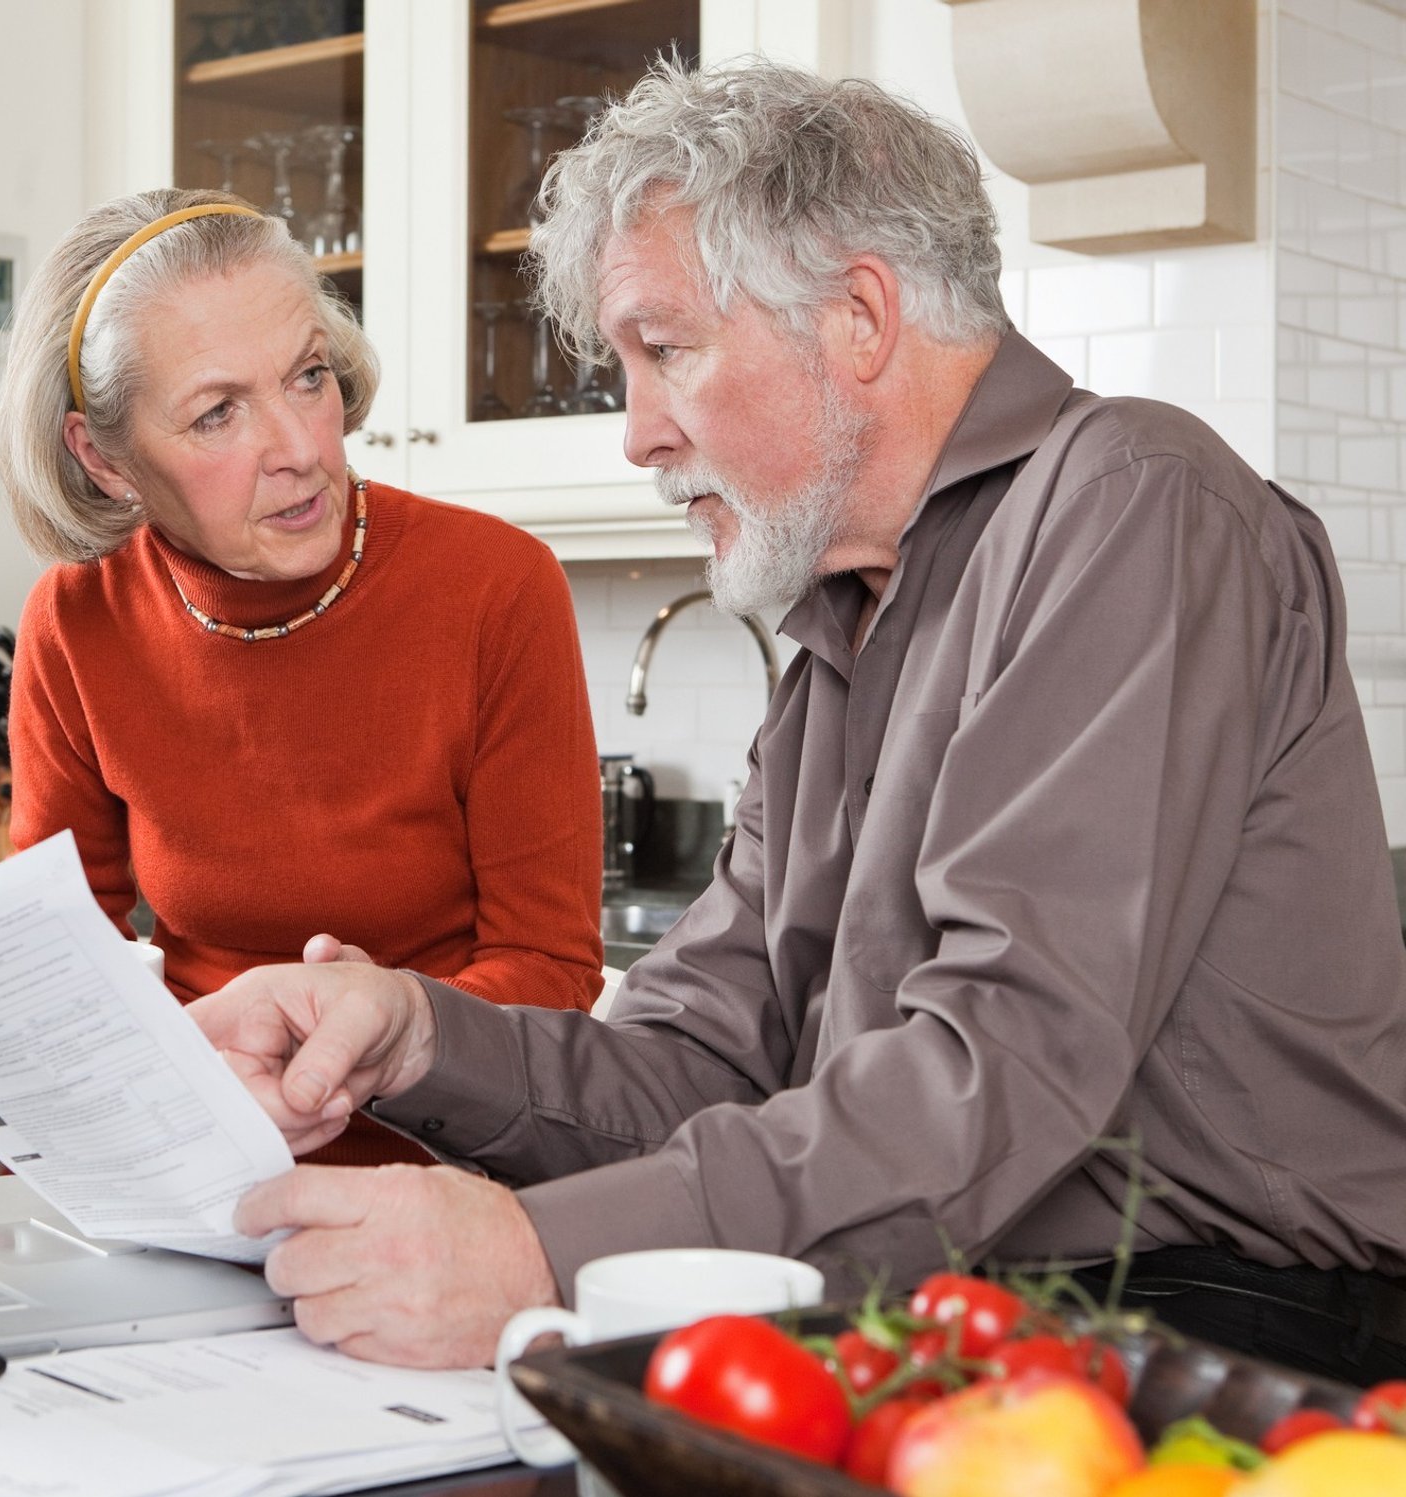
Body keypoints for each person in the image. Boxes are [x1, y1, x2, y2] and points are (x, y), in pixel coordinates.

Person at [188, 59, 1406, 1380]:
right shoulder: (839, 621)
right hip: (966, 1307)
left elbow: (1002, 1066)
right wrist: (419, 1039)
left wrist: (536, 1256)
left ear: (859, 320)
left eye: (667, 351)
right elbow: (703, 1061)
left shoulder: (1137, 508)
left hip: (1237, 1332)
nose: (638, 434)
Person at [0, 189, 604, 1167]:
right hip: (198, 1159)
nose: (299, 450)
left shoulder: (495, 588)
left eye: (307, 378)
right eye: (217, 413)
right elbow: (64, 970)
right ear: (103, 459)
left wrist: (380, 1028)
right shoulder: (77, 622)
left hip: (457, 1166)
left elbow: (553, 968)